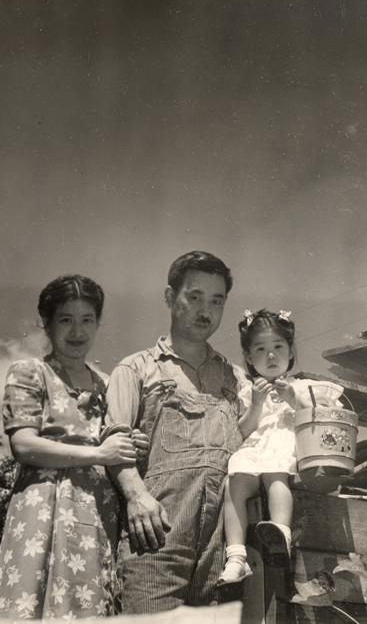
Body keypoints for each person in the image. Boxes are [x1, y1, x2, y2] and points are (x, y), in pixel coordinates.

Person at [0, 275, 148, 620]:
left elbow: (117, 449)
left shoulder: (109, 385)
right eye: (66, 320)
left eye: (87, 320)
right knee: (32, 599)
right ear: (46, 323)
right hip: (43, 508)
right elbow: (23, 444)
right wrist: (99, 454)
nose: (78, 331)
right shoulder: (32, 372)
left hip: (96, 516)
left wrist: (132, 443)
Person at [102, 251, 245, 614]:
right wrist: (136, 497)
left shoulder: (237, 379)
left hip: (222, 544)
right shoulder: (135, 369)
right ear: (170, 298)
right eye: (194, 297)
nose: (205, 310)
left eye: (216, 301)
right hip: (157, 532)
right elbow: (113, 444)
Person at [217, 309, 344, 586]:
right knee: (233, 482)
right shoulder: (249, 392)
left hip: (285, 450)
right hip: (254, 451)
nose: (270, 355)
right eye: (260, 349)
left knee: (275, 474)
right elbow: (243, 430)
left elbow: (319, 418)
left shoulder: (303, 386)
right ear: (250, 357)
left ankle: (281, 535)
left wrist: (292, 397)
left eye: (278, 347)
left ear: (290, 351)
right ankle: (236, 557)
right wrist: (257, 404)